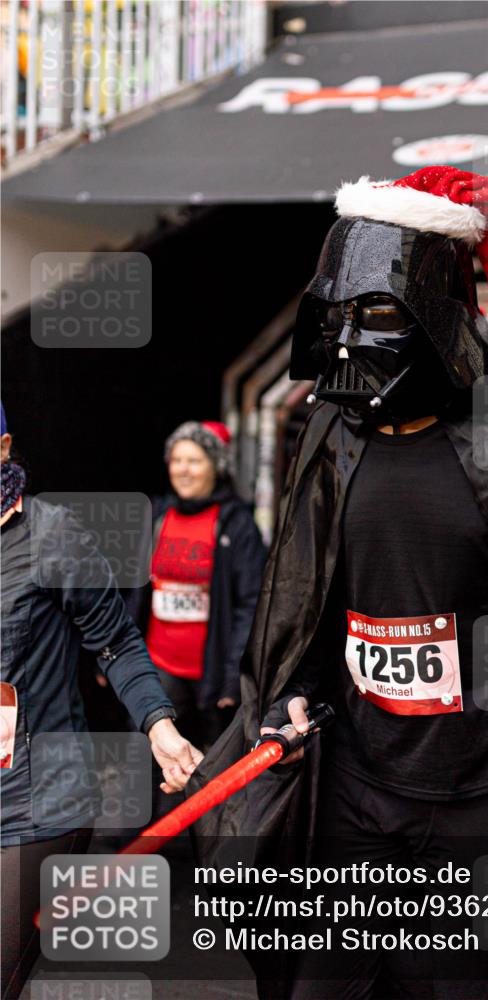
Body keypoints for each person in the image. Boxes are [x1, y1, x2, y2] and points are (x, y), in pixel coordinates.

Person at [190, 167, 488, 999]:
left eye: (378, 312)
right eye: (338, 316)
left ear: (437, 314)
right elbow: (307, 584)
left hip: (474, 788)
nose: (352, 340)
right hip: (354, 777)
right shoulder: (328, 433)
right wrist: (294, 687)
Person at [0, 402, 203, 1000]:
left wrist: (158, 726)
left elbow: (115, 643)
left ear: (4, 448)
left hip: (33, 805)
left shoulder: (50, 535)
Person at [126, 420, 266, 751]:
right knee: (151, 761)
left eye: (194, 461)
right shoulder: (158, 515)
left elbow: (251, 605)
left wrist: (235, 676)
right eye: (176, 460)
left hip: (211, 677)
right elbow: (133, 592)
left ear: (215, 466)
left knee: (209, 768)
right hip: (158, 668)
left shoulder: (237, 524)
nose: (183, 470)